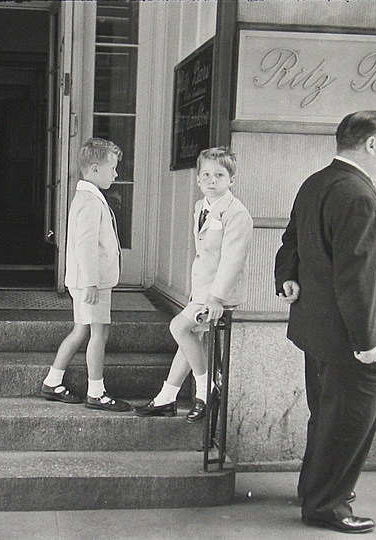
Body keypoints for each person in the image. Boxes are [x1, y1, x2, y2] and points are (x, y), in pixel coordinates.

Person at [274, 110, 376, 534]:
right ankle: (326, 506)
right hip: (357, 340)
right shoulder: (357, 194)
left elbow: (291, 239)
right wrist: (366, 338)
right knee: (349, 425)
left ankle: (314, 490)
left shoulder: (318, 182)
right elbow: (357, 274)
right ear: (370, 144)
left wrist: (287, 276)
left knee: (328, 417)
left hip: (321, 334)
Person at [135, 147, 252, 422]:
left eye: (220, 175)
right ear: (198, 180)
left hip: (218, 295)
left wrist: (215, 298)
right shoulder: (201, 207)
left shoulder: (237, 213)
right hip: (201, 291)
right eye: (207, 175)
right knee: (189, 341)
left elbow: (232, 261)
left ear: (231, 180)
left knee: (179, 327)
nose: (212, 180)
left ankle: (206, 387)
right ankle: (167, 397)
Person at [39, 137, 131, 412]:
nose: (115, 174)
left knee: (81, 331)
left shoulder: (88, 197)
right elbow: (86, 245)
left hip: (87, 282)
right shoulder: (90, 201)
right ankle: (96, 392)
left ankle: (53, 381)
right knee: (98, 334)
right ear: (94, 169)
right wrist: (91, 281)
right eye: (112, 169)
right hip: (92, 283)